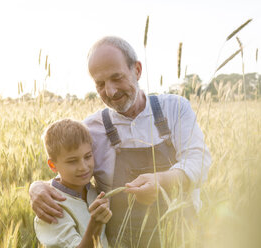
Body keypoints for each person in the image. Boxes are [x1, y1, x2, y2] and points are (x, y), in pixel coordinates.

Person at [30, 36, 211, 247]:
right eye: (100, 84)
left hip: (182, 237)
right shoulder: (91, 129)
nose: (110, 91)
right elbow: (69, 170)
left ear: (137, 70)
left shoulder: (175, 108)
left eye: (117, 78)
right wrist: (37, 187)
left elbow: (199, 161)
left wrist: (162, 181)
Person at [34, 119, 112, 248]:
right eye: (72, 161)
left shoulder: (91, 188)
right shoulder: (51, 207)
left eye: (87, 156)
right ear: (53, 165)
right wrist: (96, 224)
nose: (83, 167)